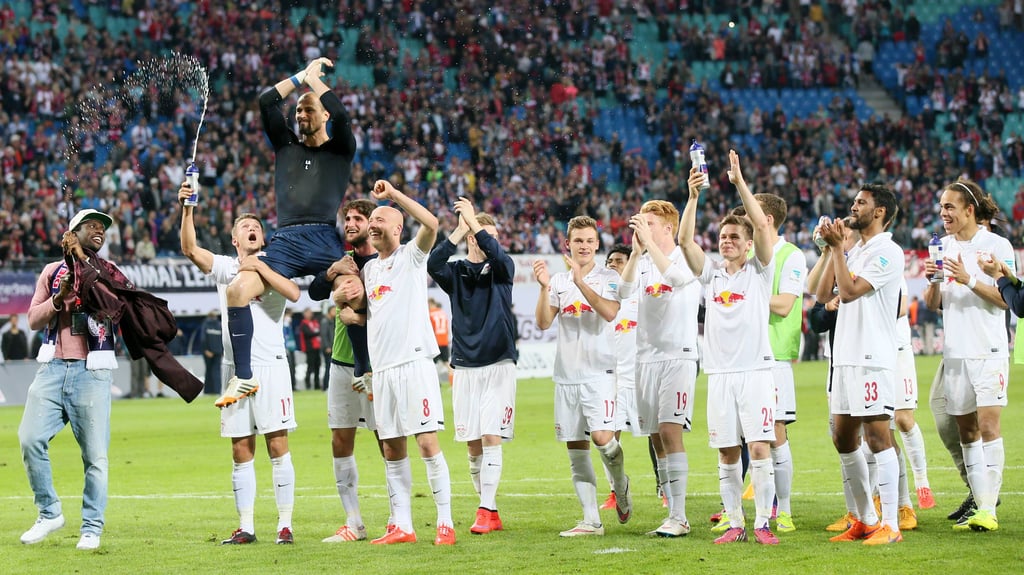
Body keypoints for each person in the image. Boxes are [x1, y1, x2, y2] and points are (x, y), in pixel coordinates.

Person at [220, 56, 356, 406]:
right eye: (296, 111)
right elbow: (267, 101)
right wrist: (301, 78)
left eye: (307, 109)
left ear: (323, 114)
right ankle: (245, 378)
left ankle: (365, 369)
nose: (299, 115)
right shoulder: (286, 146)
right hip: (286, 240)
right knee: (236, 291)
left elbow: (342, 116)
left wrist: (315, 84)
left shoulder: (340, 149)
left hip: (325, 237)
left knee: (352, 293)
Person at [178, 184, 302, 545]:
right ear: (235, 240)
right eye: (245, 229)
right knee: (240, 448)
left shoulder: (275, 265)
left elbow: (294, 293)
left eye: (257, 228)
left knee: (277, 444)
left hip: (272, 367)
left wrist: (257, 265)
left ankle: (285, 524)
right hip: (236, 372)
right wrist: (188, 209)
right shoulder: (227, 268)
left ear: (262, 237)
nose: (252, 231)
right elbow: (189, 249)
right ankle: (246, 525)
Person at [333, 180, 454, 545]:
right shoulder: (370, 271)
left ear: (398, 228)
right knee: (391, 447)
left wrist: (394, 197)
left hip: (413, 364)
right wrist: (347, 311)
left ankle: (445, 523)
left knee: (427, 443)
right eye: (373, 221)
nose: (373, 225)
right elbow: (370, 313)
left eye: (380, 220)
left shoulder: (411, 258)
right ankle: (403, 525)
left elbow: (432, 224)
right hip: (382, 371)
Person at [677, 152, 780, 545]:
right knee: (725, 452)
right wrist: (692, 197)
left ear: (750, 243)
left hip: (754, 372)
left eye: (735, 237)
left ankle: (762, 525)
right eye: (723, 237)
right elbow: (684, 240)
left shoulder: (760, 270)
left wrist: (738, 181)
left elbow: (760, 223)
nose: (727, 241)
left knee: (758, 446)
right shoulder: (711, 275)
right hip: (719, 375)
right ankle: (735, 522)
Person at [18, 208, 117, 550]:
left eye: (103, 227)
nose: (100, 230)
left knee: (95, 457)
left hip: (92, 370)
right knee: (29, 439)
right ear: (73, 232)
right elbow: (32, 319)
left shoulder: (108, 270)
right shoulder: (50, 272)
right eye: (92, 225)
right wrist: (57, 300)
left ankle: (91, 526)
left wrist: (80, 265)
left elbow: (113, 303)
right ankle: (49, 512)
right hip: (52, 368)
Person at [922, 180, 1014, 532]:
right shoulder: (941, 247)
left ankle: (989, 509)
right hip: (955, 352)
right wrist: (933, 281)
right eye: (941, 207)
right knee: (966, 432)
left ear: (969, 210)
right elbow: (934, 305)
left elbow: (1009, 299)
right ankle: (980, 503)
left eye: (950, 207)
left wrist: (968, 280)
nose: (943, 213)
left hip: (988, 351)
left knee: (989, 426)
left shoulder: (997, 245)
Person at [533, 215, 631, 537]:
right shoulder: (559, 282)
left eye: (589, 241)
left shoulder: (610, 277)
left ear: (597, 244)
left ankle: (620, 485)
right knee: (577, 450)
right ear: (568, 244)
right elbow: (544, 323)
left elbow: (610, 313)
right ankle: (591, 520)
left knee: (604, 439)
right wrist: (546, 288)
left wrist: (581, 282)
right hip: (567, 376)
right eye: (578, 241)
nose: (584, 246)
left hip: (599, 373)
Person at [817, 183, 904, 545]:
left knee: (878, 437)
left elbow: (849, 293)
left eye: (861, 202)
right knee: (842, 437)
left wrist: (839, 249)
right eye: (854, 201)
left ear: (879, 211)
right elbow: (824, 295)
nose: (854, 206)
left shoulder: (888, 252)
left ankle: (892, 526)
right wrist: (829, 250)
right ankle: (866, 519)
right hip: (846, 358)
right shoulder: (857, 251)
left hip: (872, 356)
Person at [427, 197, 518, 535]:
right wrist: (458, 231)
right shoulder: (456, 272)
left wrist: (477, 227)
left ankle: (485, 508)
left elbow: (498, 254)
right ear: (468, 238)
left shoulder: (502, 271)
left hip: (498, 363)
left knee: (491, 435)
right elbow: (433, 263)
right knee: (473, 443)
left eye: (490, 236)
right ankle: (489, 510)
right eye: (478, 235)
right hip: (464, 366)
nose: (486, 242)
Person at [617, 199, 701, 538]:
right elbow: (622, 292)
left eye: (649, 223)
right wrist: (637, 253)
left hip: (678, 356)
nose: (642, 228)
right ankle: (672, 512)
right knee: (655, 437)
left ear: (668, 227)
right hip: (645, 358)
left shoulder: (686, 256)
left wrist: (649, 245)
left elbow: (679, 279)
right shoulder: (645, 261)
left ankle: (680, 517)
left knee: (670, 431)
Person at [309, 198, 380, 544]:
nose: (349, 223)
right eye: (346, 218)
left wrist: (361, 314)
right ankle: (353, 522)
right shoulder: (344, 260)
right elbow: (313, 291)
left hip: (378, 365)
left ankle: (399, 519)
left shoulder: (384, 262)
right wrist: (331, 272)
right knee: (340, 440)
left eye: (356, 218)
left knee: (388, 441)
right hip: (341, 362)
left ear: (372, 223)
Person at [751, 192, 806, 534]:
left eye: (751, 214)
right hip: (744, 357)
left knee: (775, 434)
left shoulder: (792, 256)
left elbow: (785, 305)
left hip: (774, 357)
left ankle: (783, 511)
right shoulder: (748, 254)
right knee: (746, 437)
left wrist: (744, 297)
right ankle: (753, 510)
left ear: (766, 218)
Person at [598, 244, 643, 514]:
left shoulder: (639, 295)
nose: (613, 264)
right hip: (611, 379)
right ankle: (617, 489)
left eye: (619, 261)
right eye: (610, 261)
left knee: (656, 436)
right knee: (609, 437)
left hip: (639, 376)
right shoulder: (601, 298)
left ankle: (664, 488)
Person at [428, 299, 451, 383]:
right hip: (444, 341)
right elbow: (447, 328)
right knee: (447, 363)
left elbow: (430, 330)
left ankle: (435, 384)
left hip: (435, 342)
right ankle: (453, 385)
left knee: (432, 365)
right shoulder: (442, 313)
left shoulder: (430, 314)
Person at [299, 309, 322, 390]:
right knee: (310, 366)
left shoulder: (315, 322)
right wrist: (318, 332)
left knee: (317, 366)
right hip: (310, 348)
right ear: (304, 314)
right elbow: (308, 334)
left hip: (317, 347)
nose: (310, 314)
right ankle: (308, 384)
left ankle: (317, 384)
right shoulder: (303, 324)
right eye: (308, 313)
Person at [201, 310, 223, 395]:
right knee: (216, 371)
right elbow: (223, 338)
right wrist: (222, 351)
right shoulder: (219, 325)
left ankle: (208, 391)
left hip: (208, 352)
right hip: (218, 352)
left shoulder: (205, 324)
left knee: (208, 371)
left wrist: (205, 349)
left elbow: (203, 338)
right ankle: (217, 390)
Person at [320, 306, 336, 389]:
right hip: (327, 348)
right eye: (334, 310)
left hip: (332, 347)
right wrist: (327, 346)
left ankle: (328, 386)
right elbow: (324, 335)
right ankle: (325, 386)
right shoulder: (325, 321)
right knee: (328, 367)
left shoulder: (332, 321)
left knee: (330, 367)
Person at [283, 309, 297, 390]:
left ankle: (293, 385)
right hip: (286, 349)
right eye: (288, 315)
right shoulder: (282, 325)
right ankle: (289, 386)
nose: (289, 317)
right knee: (289, 368)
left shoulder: (289, 325)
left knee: (293, 367)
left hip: (291, 348)